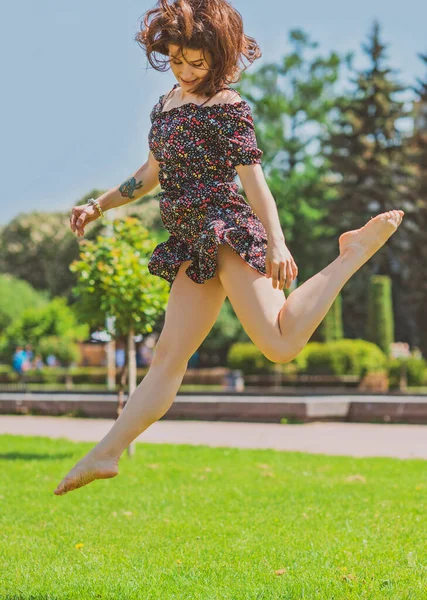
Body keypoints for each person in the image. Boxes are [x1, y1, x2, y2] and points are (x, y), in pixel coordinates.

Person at [55, 0, 405, 496]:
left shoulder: (228, 108)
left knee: (280, 344)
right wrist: (99, 204)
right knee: (167, 361)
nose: (186, 70)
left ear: (218, 57)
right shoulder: (166, 106)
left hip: (227, 230)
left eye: (196, 63)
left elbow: (254, 182)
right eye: (177, 60)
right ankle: (106, 453)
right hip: (190, 243)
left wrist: (278, 243)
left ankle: (351, 254)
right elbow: (149, 174)